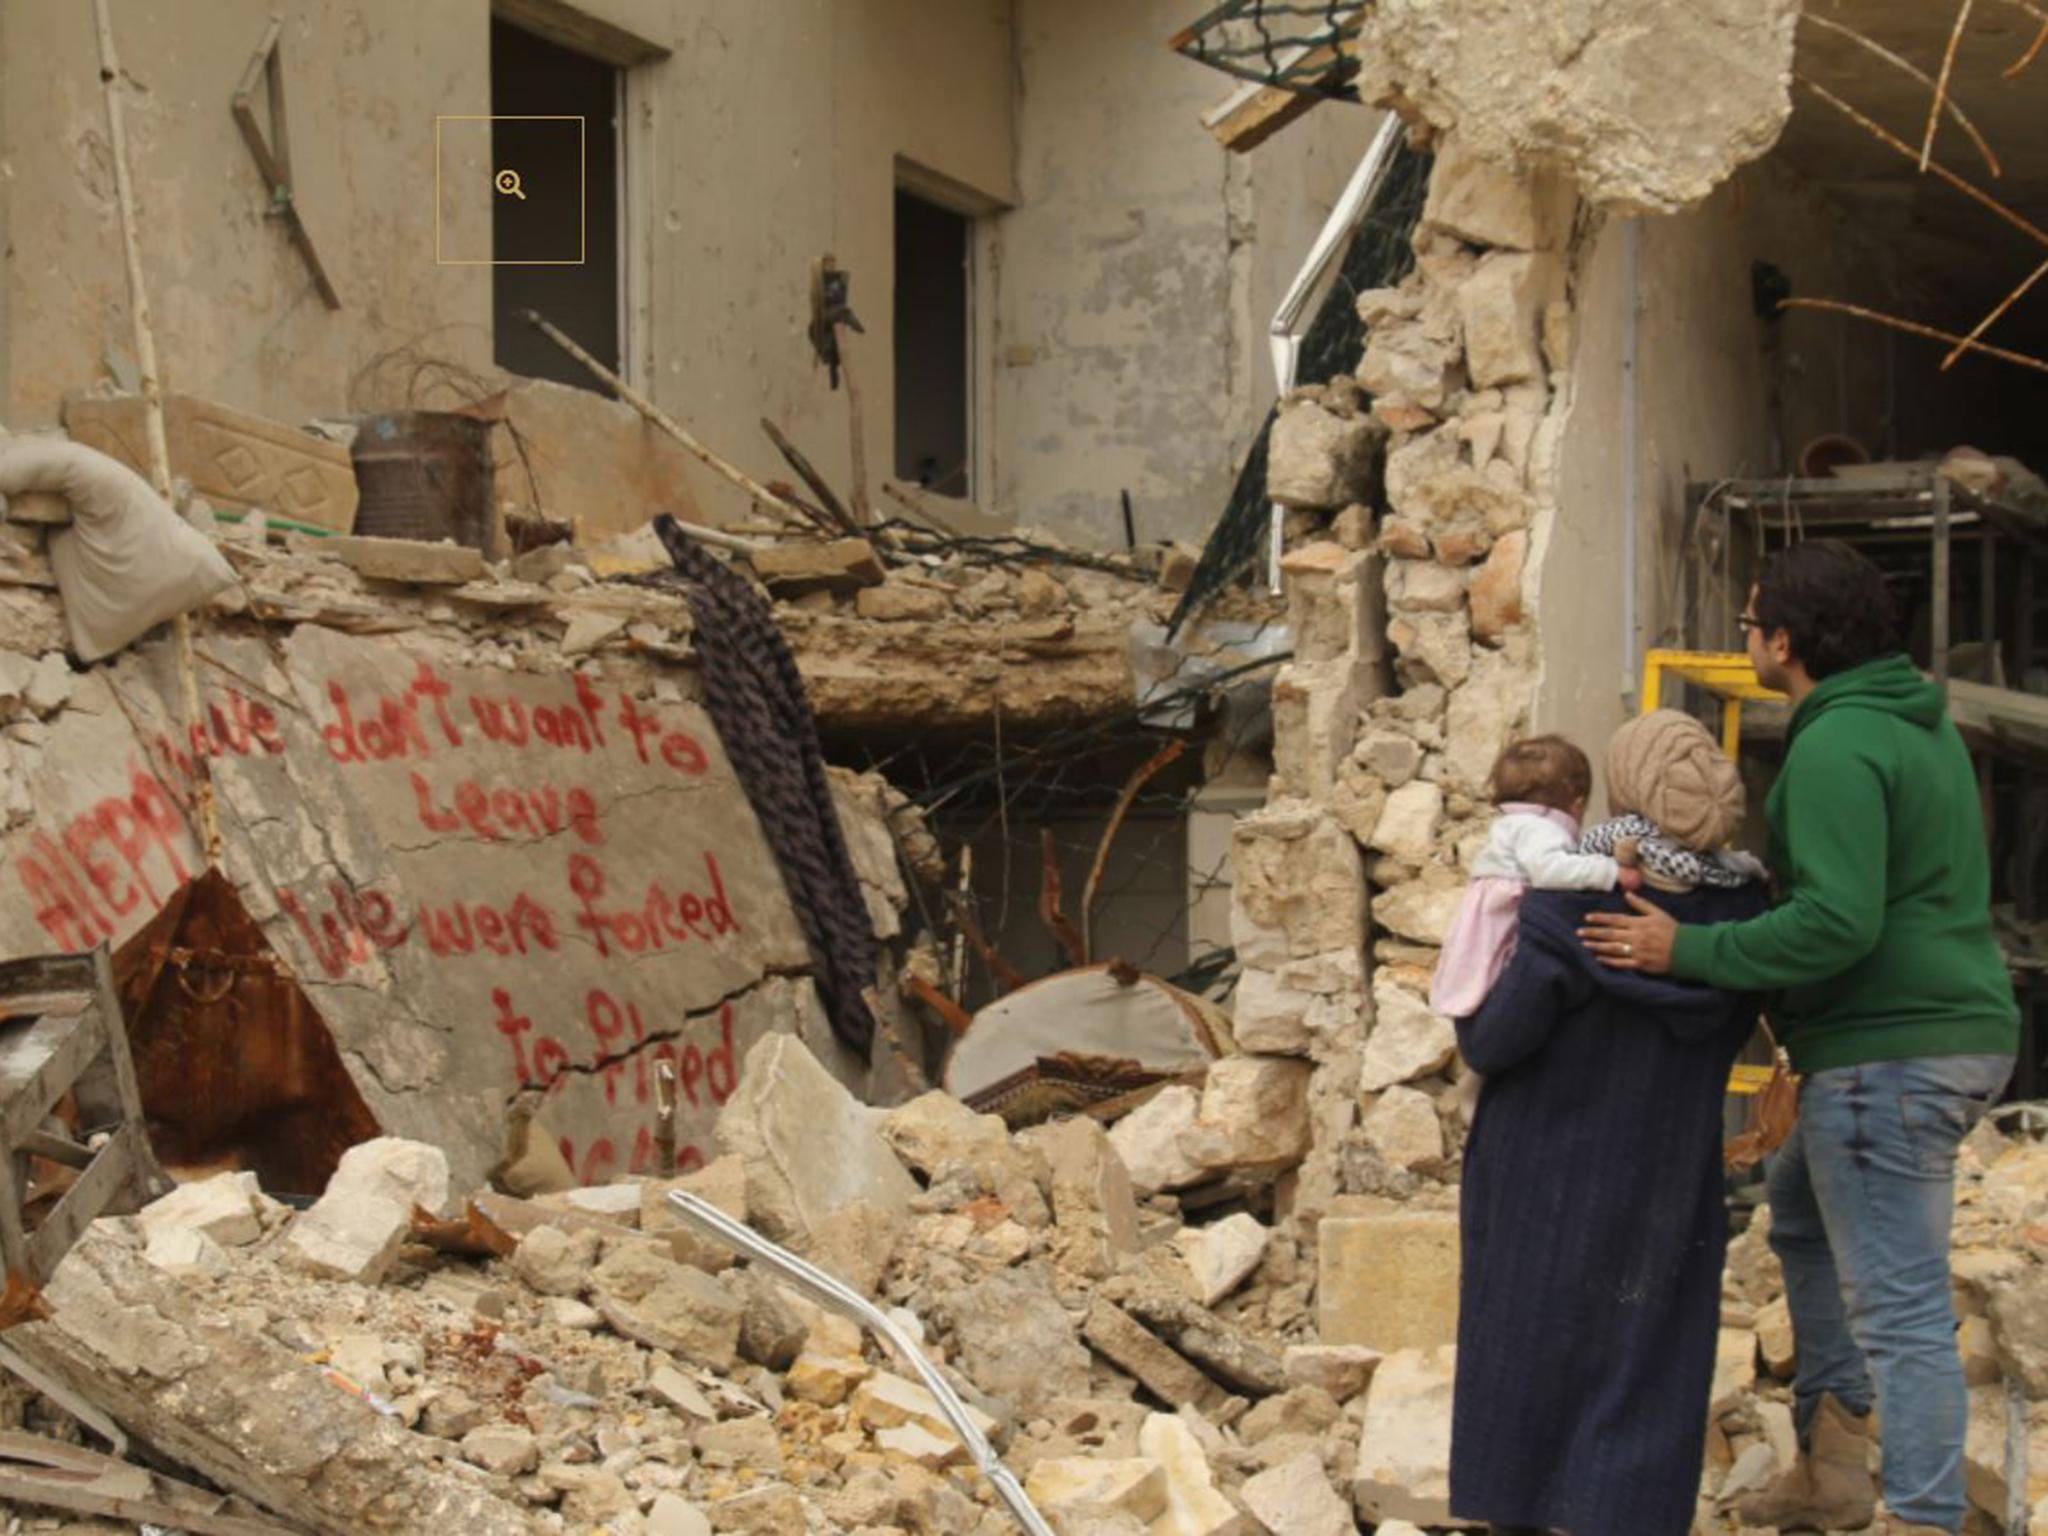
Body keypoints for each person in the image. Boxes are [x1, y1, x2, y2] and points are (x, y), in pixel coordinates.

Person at [1581, 540, 2020, 1536]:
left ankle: (1919, 1517)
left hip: (1887, 1055)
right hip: (1932, 1035)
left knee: (1899, 1312)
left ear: (1781, 640)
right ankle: (1831, 1467)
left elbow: (1837, 923)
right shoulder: (1916, 725)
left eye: (1747, 624)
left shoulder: (1831, 745)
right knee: (1799, 1218)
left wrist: (1680, 951)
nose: (1744, 639)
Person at [1450, 709, 1767, 1536]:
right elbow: (1731, 1026)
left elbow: (1495, 1039)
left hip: (1541, 1176)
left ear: (1621, 792)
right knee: (1647, 1355)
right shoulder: (1742, 914)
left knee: (1526, 1346)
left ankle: (1521, 1510)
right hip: (1667, 1175)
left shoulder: (1567, 905)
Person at [1429, 734, 1641, 1024]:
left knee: (1479, 966)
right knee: (1497, 972)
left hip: (1489, 909)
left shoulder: (1512, 824)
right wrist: (1611, 872)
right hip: (1504, 912)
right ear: (1577, 805)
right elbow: (1550, 870)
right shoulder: (1540, 828)